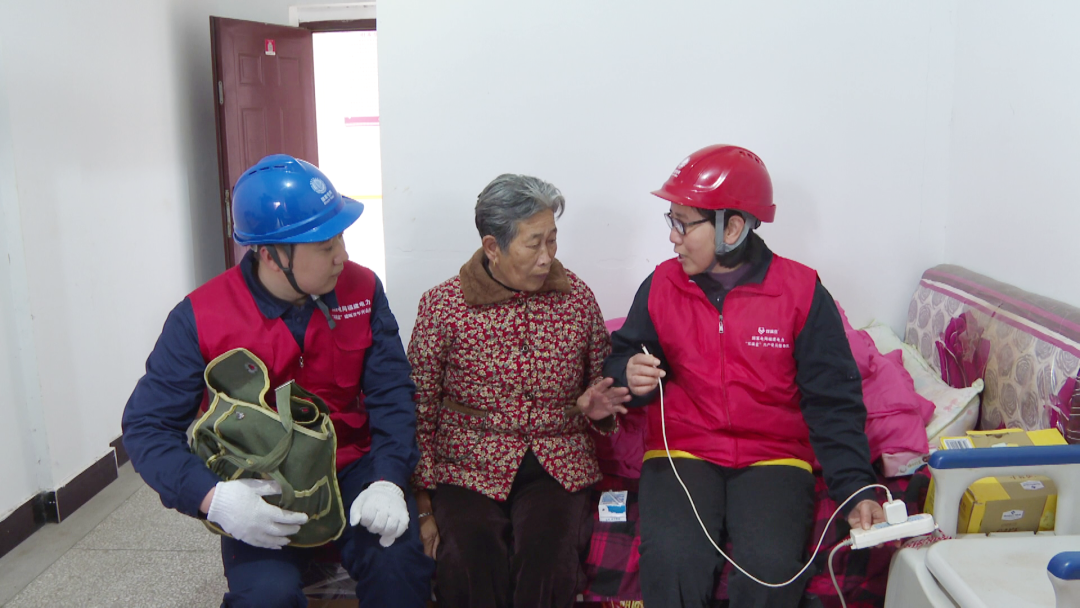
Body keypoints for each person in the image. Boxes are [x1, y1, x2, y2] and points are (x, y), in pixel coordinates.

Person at [121, 154, 433, 607]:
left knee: (399, 567)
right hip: (261, 483)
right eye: (324, 246)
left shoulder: (363, 290)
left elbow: (392, 394)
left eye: (341, 237)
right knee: (265, 596)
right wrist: (213, 497)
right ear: (270, 255)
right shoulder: (200, 317)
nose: (342, 256)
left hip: (353, 467)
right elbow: (147, 427)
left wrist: (388, 478)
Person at [603, 145, 886, 608]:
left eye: (683, 224)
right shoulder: (660, 286)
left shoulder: (801, 293)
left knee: (770, 569)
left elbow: (833, 401)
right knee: (673, 560)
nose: (672, 237)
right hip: (683, 450)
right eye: (671, 220)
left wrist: (856, 488)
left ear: (731, 228)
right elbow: (620, 360)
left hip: (775, 456)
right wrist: (628, 375)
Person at [408, 174, 630, 608]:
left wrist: (597, 408)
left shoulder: (576, 299)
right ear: (493, 246)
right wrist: (423, 505)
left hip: (556, 462)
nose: (548, 256)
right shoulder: (444, 306)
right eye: (534, 243)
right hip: (467, 465)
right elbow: (420, 408)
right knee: (469, 561)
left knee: (549, 560)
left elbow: (601, 385)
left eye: (552, 240)